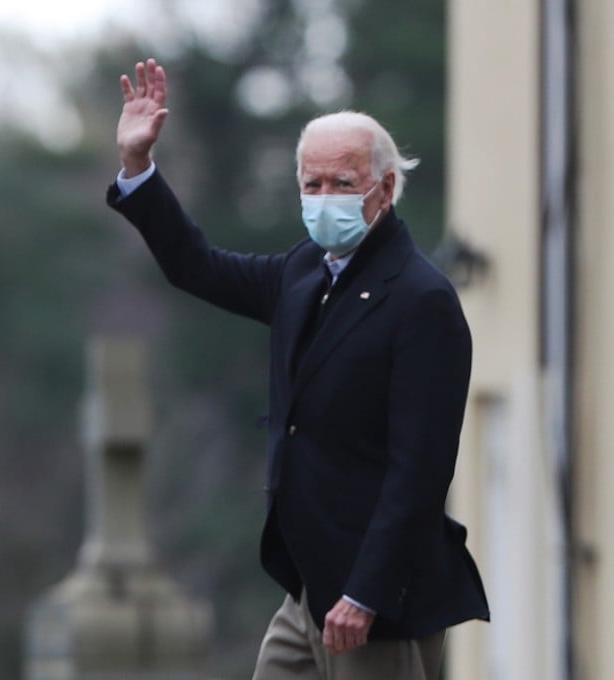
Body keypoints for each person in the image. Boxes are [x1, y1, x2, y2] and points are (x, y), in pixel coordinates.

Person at [107, 58, 489, 680]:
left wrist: (366, 593)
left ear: (385, 189)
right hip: (310, 585)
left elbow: (420, 470)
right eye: (311, 185)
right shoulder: (303, 271)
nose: (323, 200)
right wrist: (137, 167)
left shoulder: (423, 300)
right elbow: (196, 266)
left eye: (342, 184)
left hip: (378, 595)